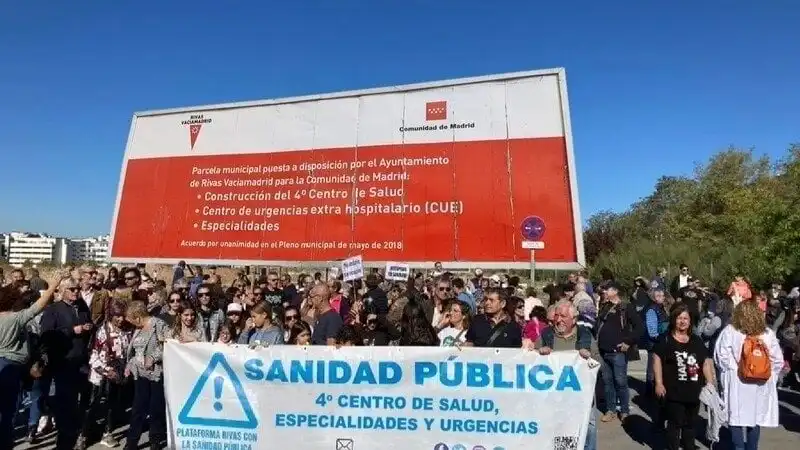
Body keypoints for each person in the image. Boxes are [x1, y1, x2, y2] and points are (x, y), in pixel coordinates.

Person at [0, 270, 66, 449]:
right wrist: (54, 284)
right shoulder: (14, 319)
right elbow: (38, 306)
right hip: (10, 365)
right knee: (7, 410)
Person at [714, 300, 783, 450]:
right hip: (761, 383)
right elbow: (777, 360)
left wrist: (735, 369)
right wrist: (770, 376)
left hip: (738, 381)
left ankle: (738, 448)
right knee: (755, 418)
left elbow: (721, 356)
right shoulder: (767, 333)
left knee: (736, 417)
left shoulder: (730, 331)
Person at [653, 303, 716, 450]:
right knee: (675, 424)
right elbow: (656, 360)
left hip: (694, 391)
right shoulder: (666, 340)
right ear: (674, 320)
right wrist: (659, 383)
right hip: (674, 391)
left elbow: (705, 362)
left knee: (690, 425)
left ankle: (689, 447)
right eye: (679, 318)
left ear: (690, 321)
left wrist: (710, 383)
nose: (682, 321)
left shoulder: (696, 340)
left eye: (685, 318)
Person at [124, 301, 169, 450]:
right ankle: (131, 442)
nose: (129, 322)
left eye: (130, 319)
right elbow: (134, 351)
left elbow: (167, 345)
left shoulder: (159, 325)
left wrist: (154, 357)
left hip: (157, 373)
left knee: (156, 407)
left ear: (137, 317)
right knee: (138, 408)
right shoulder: (137, 329)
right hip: (140, 374)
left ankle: (155, 440)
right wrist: (129, 365)